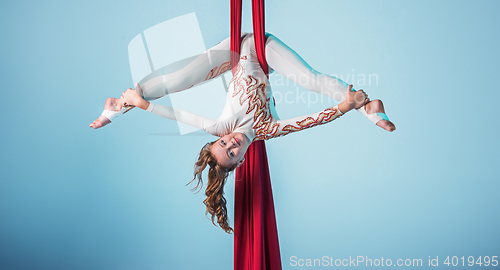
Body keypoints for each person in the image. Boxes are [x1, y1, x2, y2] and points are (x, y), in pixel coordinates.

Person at [90, 32, 395, 233]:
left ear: (218, 138)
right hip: (263, 50)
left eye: (223, 144)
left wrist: (144, 106)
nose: (232, 143)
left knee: (184, 78)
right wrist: (343, 107)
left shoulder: (220, 126)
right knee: (308, 79)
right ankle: (364, 103)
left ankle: (122, 103)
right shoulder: (267, 131)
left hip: (235, 49)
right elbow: (310, 120)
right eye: (233, 153)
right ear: (241, 161)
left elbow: (180, 114)